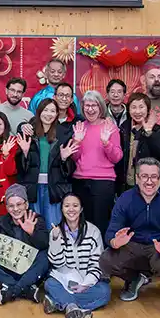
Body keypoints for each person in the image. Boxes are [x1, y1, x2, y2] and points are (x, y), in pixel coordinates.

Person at [101, 158, 160, 309]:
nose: (149, 181)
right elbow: (110, 232)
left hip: (159, 248)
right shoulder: (125, 199)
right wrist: (115, 242)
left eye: (154, 177)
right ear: (137, 178)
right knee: (106, 260)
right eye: (144, 176)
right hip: (133, 245)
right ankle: (134, 279)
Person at [0, 184, 49, 305]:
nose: (15, 209)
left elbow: (44, 243)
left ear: (26, 205)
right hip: (9, 269)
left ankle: (12, 291)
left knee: (45, 256)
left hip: (29, 269)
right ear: (6, 207)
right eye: (11, 206)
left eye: (19, 204)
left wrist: (32, 232)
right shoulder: (1, 222)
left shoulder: (36, 219)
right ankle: (25, 289)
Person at [43, 193, 111, 318]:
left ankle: (60, 304)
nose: (71, 209)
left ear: (81, 209)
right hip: (65, 281)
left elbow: (96, 263)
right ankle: (78, 309)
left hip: (87, 283)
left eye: (75, 205)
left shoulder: (93, 231)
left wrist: (86, 284)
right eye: (67, 206)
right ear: (62, 209)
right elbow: (57, 263)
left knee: (105, 292)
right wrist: (56, 239)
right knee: (50, 284)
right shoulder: (55, 231)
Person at [16, 99, 77, 227]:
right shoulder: (29, 133)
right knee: (34, 225)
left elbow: (68, 172)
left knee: (53, 225)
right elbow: (21, 169)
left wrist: (64, 158)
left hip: (53, 188)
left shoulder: (63, 134)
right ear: (39, 112)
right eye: (46, 110)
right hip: (33, 188)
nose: (48, 114)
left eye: (52, 111)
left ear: (56, 114)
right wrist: (25, 153)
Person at [69, 91, 122, 237]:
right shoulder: (80, 127)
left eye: (94, 105)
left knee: (100, 222)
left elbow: (117, 157)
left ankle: (100, 256)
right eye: (87, 105)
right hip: (80, 180)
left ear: (100, 107)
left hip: (103, 181)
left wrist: (106, 143)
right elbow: (74, 157)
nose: (90, 109)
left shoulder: (110, 127)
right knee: (82, 222)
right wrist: (77, 141)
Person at [116, 92, 160, 195]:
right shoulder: (124, 128)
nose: (137, 111)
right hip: (127, 183)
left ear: (148, 109)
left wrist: (149, 133)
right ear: (129, 110)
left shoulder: (157, 130)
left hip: (149, 184)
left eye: (141, 107)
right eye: (133, 107)